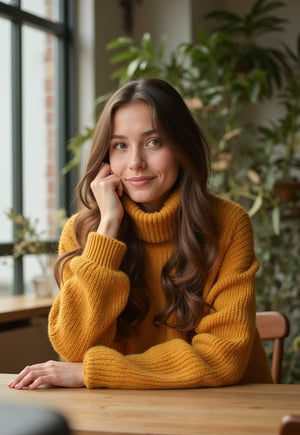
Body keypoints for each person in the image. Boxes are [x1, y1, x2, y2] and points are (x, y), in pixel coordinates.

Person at [9, 78, 273, 390]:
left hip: (227, 413)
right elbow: (74, 348)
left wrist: (92, 372)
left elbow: (222, 357)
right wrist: (107, 230)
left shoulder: (228, 224)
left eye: (153, 142)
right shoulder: (83, 232)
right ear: (106, 159)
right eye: (120, 146)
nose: (135, 162)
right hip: (123, 411)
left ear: (180, 146)